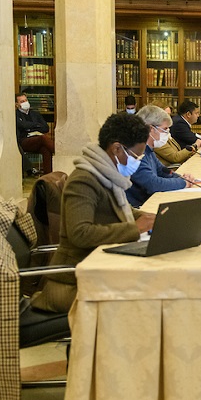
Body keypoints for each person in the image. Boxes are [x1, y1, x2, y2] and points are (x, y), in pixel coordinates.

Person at [30, 113, 156, 313]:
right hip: (73, 283)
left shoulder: (106, 174)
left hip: (97, 271)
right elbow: (80, 233)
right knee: (148, 301)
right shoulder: (84, 180)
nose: (137, 162)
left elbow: (119, 209)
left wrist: (148, 218)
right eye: (135, 156)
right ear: (116, 148)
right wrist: (135, 228)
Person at [126, 105, 198, 208]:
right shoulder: (136, 152)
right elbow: (153, 184)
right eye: (165, 129)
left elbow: (163, 171)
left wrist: (181, 177)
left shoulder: (149, 150)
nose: (167, 132)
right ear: (151, 129)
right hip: (140, 207)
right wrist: (182, 183)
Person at [15, 93, 54, 175]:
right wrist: (36, 125)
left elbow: (45, 128)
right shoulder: (15, 115)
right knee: (43, 138)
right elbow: (22, 125)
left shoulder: (35, 114)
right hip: (24, 141)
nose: (25, 102)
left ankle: (48, 176)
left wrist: (29, 127)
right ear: (17, 104)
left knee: (45, 149)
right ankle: (59, 152)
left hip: (36, 139)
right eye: (22, 101)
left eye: (26, 100)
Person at [151, 101, 199, 166]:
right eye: (166, 116)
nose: (169, 119)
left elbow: (177, 151)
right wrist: (194, 147)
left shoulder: (167, 135)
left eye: (169, 115)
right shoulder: (156, 138)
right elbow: (175, 157)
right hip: (171, 171)